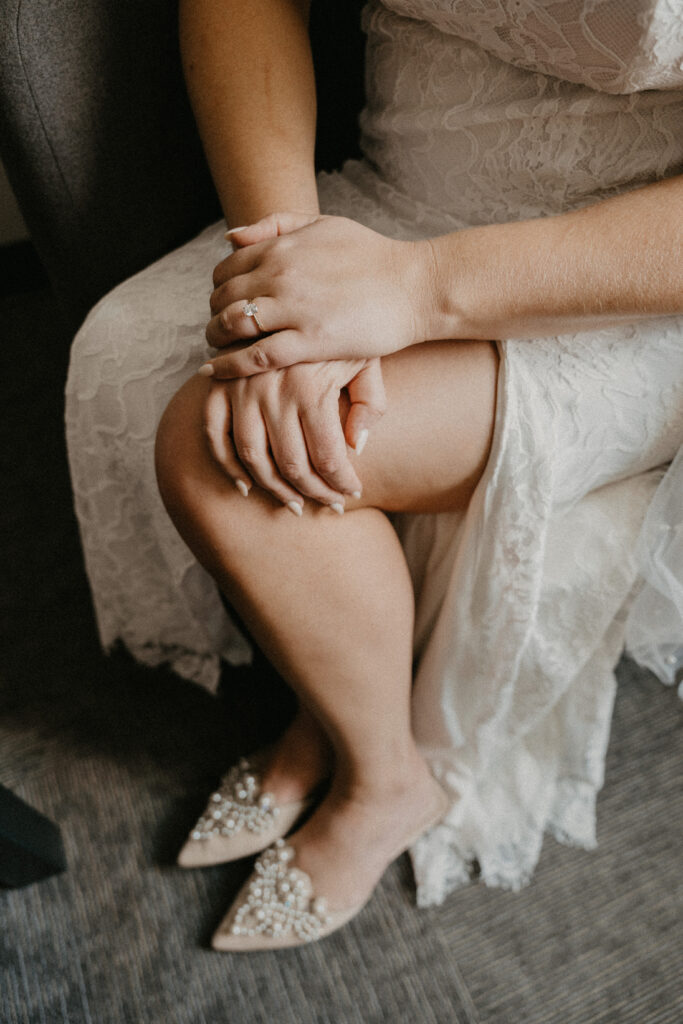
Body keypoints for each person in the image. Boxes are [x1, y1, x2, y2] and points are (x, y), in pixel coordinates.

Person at [65, 0, 683, 951]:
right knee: (231, 402)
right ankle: (332, 713)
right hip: (376, 204)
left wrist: (413, 289)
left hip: (611, 282)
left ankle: (385, 779)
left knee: (222, 451)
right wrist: (290, 272)